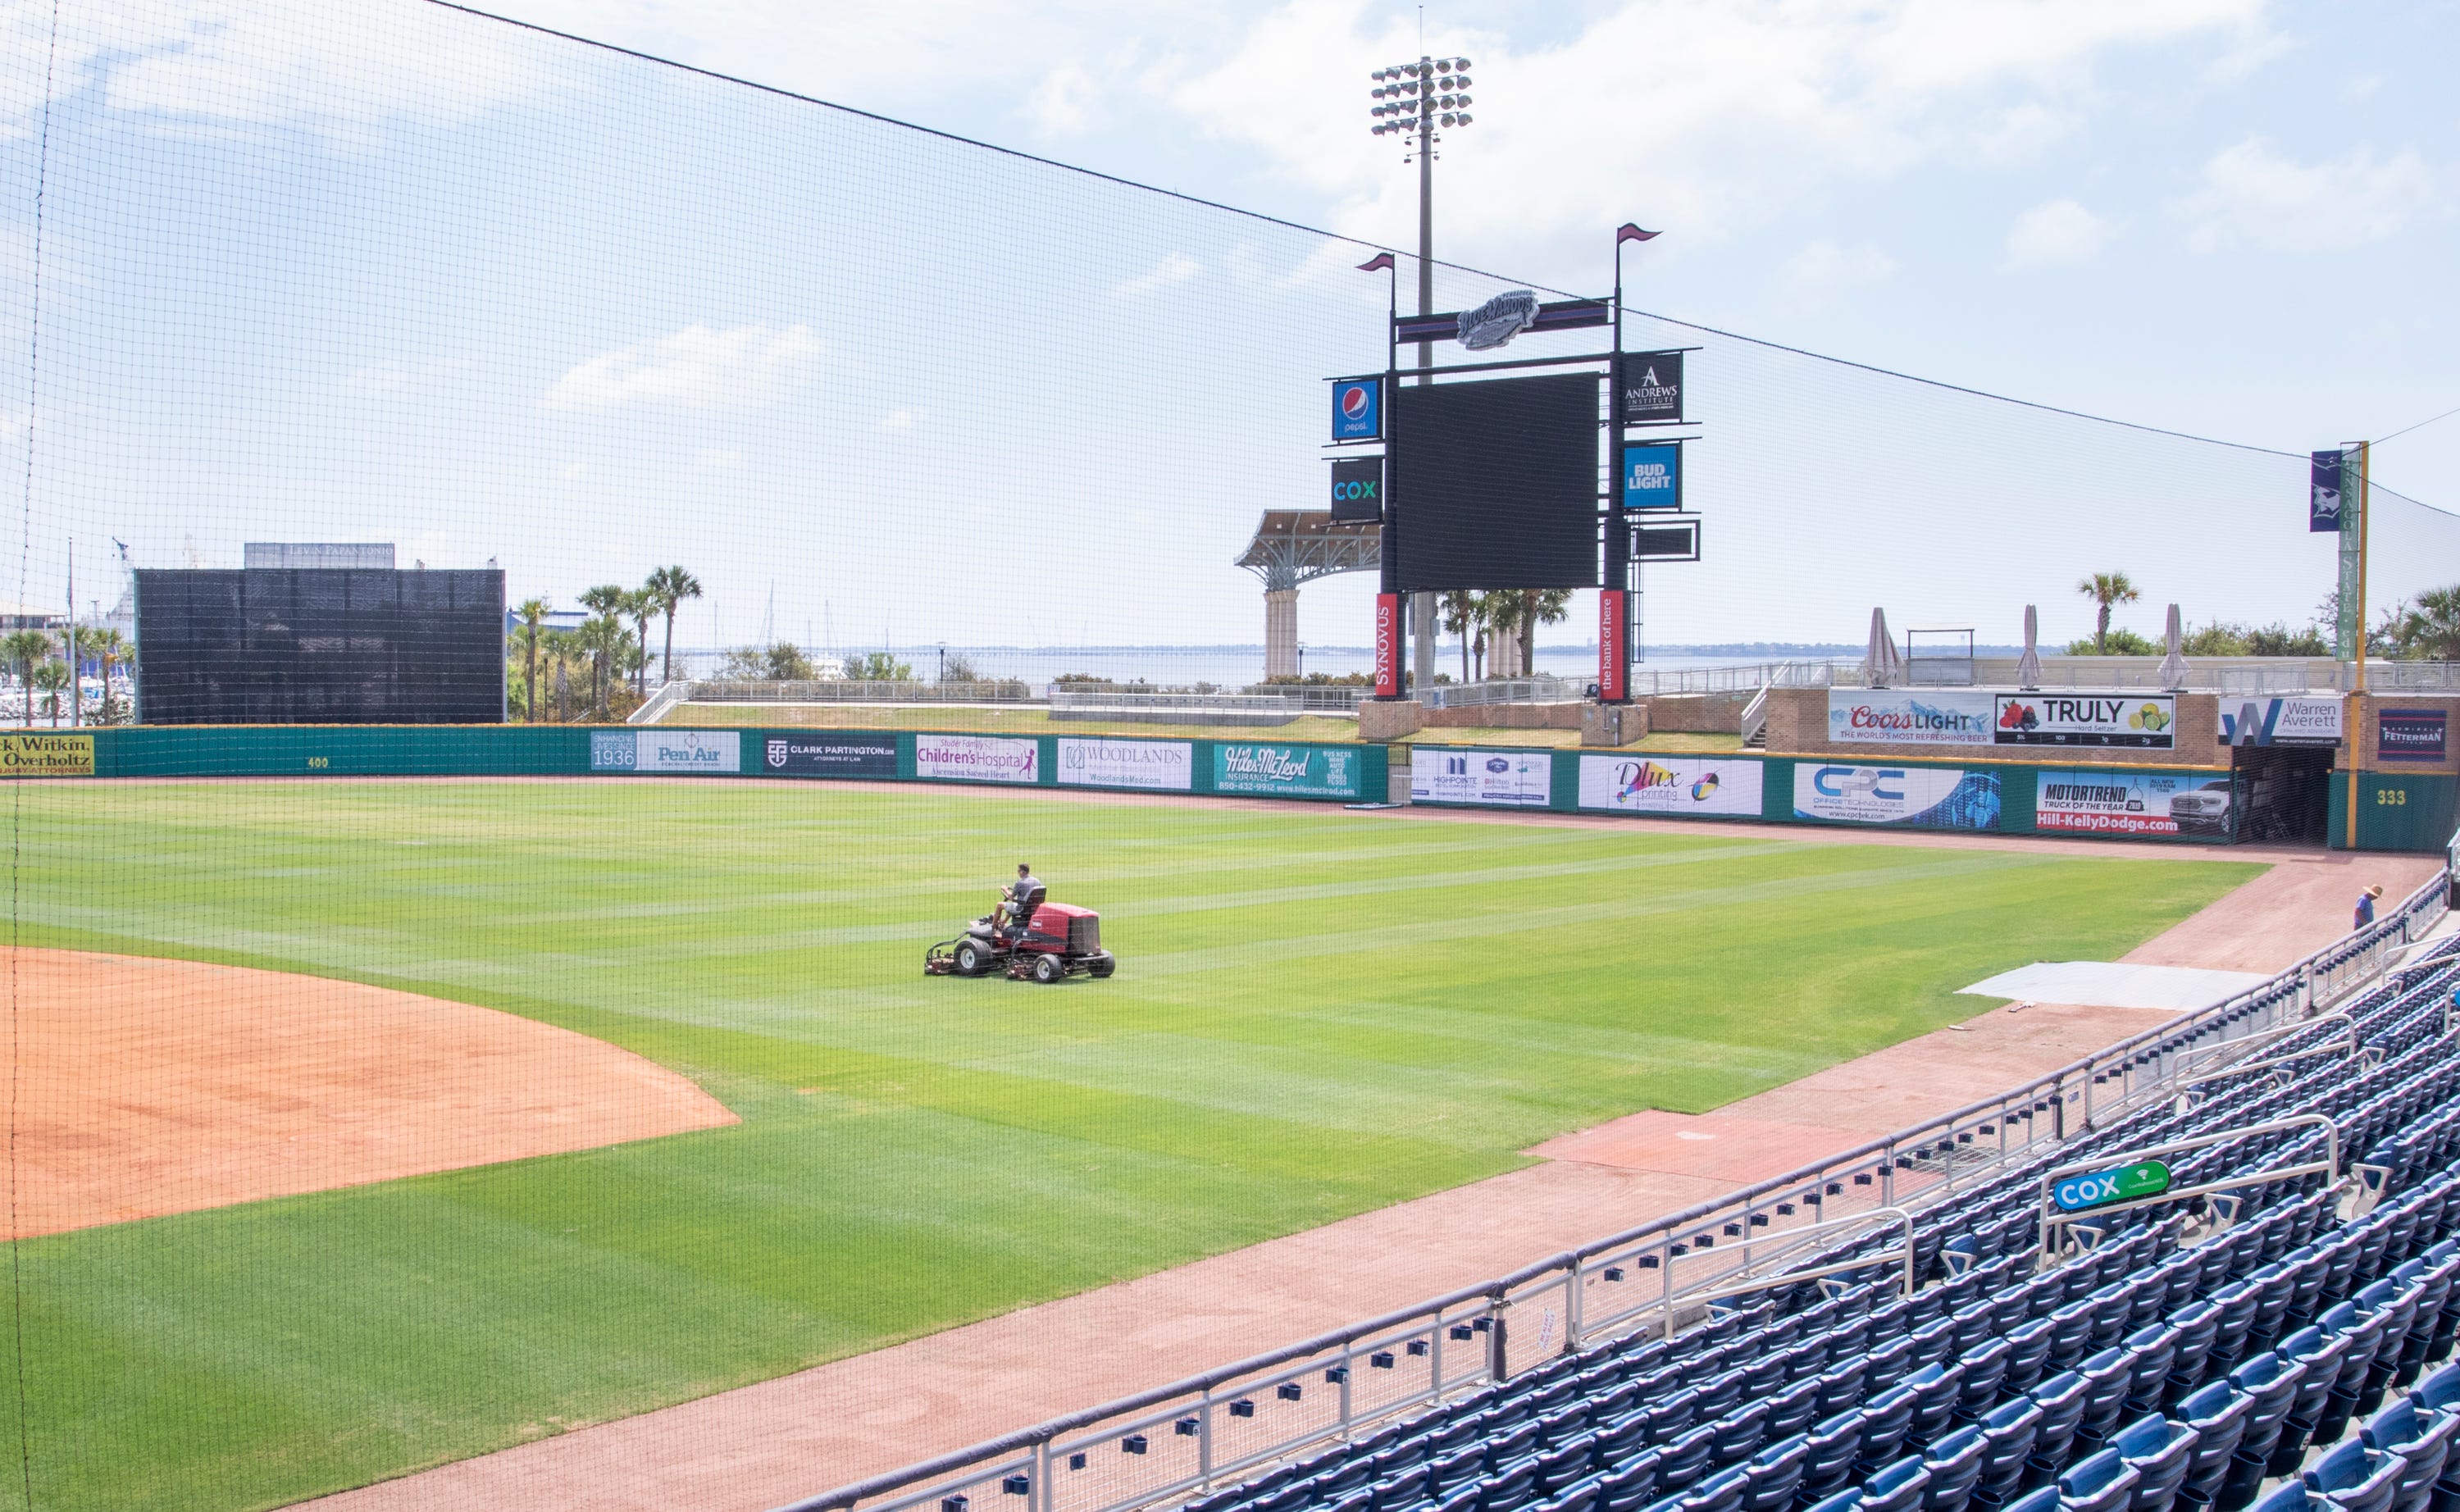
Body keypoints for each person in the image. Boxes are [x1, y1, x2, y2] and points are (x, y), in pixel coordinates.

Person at [998, 863, 1043, 935]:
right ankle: (1003, 922)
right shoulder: (1037, 881)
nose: (1018, 873)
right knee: (1013, 905)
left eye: (1018, 871)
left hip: (1022, 909)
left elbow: (1011, 896)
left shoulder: (1019, 883)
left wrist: (1005, 889)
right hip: (1033, 908)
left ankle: (994, 927)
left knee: (999, 905)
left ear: (1022, 872)